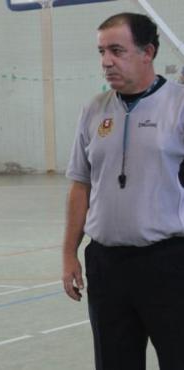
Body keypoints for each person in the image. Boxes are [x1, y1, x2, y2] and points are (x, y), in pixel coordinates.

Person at [62, 12, 184, 370]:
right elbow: (80, 185)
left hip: (169, 262)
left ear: (148, 52)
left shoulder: (178, 105)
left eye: (117, 50)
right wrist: (70, 253)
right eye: (101, 52)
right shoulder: (93, 110)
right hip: (106, 264)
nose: (106, 62)